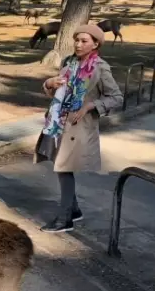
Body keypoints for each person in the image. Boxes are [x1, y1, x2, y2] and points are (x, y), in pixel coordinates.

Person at [34, 24, 124, 233]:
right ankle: (73, 209)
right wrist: (49, 83)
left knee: (63, 169)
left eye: (84, 41)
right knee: (61, 167)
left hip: (80, 126)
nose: (79, 44)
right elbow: (57, 91)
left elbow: (116, 97)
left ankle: (64, 219)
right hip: (58, 122)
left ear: (95, 44)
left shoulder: (100, 68)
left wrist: (90, 106)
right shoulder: (68, 62)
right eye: (77, 40)